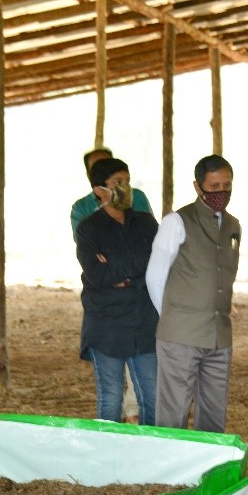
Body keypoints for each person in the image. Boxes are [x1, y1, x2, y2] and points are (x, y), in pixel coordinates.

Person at [146, 154, 241, 433]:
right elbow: (155, 276)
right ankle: (168, 462)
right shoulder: (177, 221)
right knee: (172, 413)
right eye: (214, 187)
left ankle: (209, 460)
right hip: (180, 336)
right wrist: (172, 318)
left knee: (214, 414)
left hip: (219, 335)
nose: (221, 192)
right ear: (198, 187)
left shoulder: (233, 225)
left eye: (227, 185)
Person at [76, 156, 159, 424]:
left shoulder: (146, 223)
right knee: (110, 396)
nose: (125, 187)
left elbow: (157, 264)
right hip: (106, 325)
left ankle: (149, 447)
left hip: (143, 321)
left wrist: (118, 271)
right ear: (99, 191)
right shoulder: (89, 228)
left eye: (127, 181)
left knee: (152, 396)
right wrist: (135, 270)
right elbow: (97, 274)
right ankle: (106, 449)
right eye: (117, 182)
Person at [70, 146, 154, 237]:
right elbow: (84, 241)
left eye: (107, 164)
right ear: (89, 175)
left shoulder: (137, 196)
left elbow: (149, 235)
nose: (103, 169)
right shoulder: (80, 208)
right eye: (97, 167)